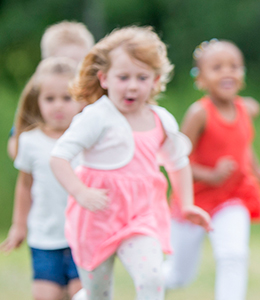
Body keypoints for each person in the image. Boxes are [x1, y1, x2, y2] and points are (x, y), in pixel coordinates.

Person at [49, 26, 211, 300]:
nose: (133, 85)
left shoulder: (160, 120)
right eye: (123, 77)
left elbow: (177, 162)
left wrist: (186, 204)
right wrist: (80, 192)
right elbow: (59, 157)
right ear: (104, 78)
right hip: (96, 216)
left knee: (152, 278)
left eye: (142, 77)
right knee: (97, 293)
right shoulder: (96, 117)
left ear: (155, 80)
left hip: (141, 214)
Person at [162, 39, 260, 300]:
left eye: (234, 66)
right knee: (179, 276)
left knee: (233, 256)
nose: (227, 72)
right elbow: (176, 160)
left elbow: (242, 144)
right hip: (194, 202)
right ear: (200, 79)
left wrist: (258, 170)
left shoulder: (245, 109)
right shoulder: (199, 114)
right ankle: (151, 283)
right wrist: (210, 174)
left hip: (231, 197)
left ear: (243, 74)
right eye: (217, 67)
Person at [0, 57, 85, 300]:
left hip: (82, 235)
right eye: (50, 99)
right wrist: (19, 225)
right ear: (37, 101)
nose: (58, 105)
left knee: (81, 295)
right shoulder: (29, 141)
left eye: (67, 98)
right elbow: (25, 185)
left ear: (80, 100)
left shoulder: (88, 139)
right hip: (45, 237)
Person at [8, 21, 94, 160]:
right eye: (65, 63)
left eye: (79, 64)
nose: (72, 71)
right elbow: (15, 142)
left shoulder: (95, 96)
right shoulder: (37, 96)